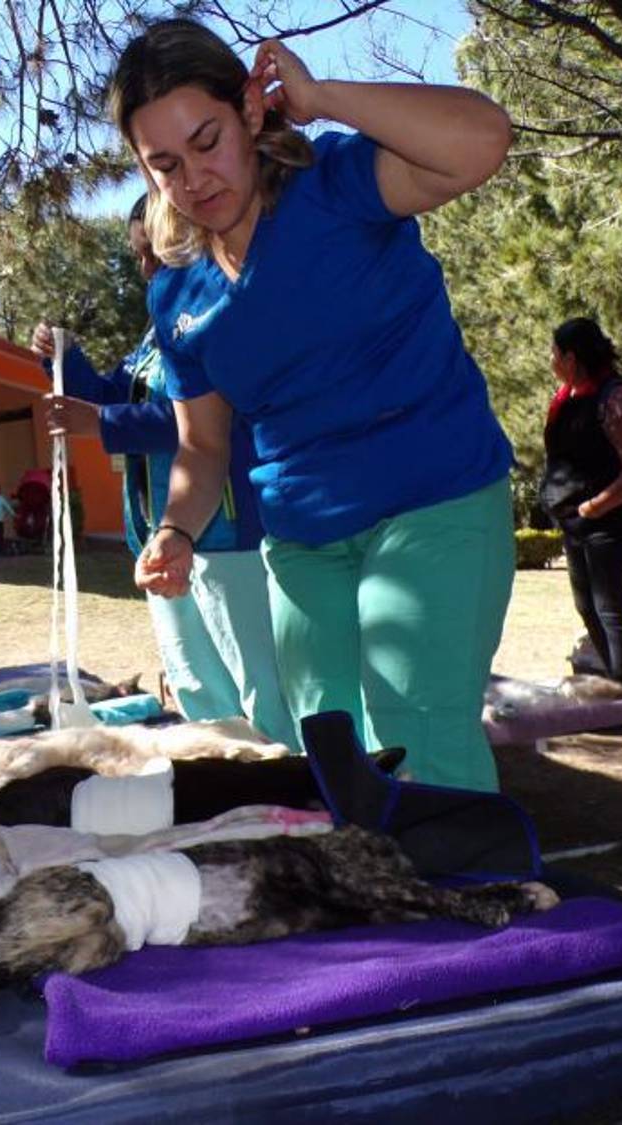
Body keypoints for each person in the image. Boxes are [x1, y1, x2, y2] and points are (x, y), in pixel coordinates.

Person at [109, 20, 515, 789]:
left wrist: (322, 96)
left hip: (435, 502)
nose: (194, 178)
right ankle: (375, 906)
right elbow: (201, 447)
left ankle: (474, 899)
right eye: (164, 164)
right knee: (325, 753)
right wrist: (174, 531)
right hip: (300, 542)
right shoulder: (177, 292)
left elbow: (484, 139)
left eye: (207, 141)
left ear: (251, 112)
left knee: (420, 743)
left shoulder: (336, 185)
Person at [30, 196, 297, 748]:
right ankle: (225, 788)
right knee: (195, 681)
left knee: (259, 684)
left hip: (228, 534)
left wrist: (101, 423)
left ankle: (286, 786)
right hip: (160, 538)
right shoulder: (156, 336)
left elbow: (199, 423)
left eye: (154, 252)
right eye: (137, 256)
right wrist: (66, 360)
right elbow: (113, 394)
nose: (146, 267)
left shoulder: (228, 313)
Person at [539, 318, 622, 683]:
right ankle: (615, 689)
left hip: (613, 523)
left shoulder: (617, 398)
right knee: (587, 607)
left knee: (611, 610)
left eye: (555, 353)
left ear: (571, 357)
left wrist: (596, 505)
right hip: (576, 525)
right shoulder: (565, 399)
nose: (551, 360)